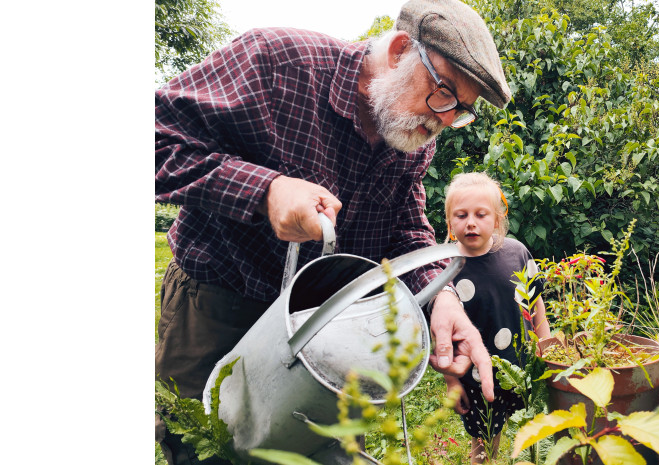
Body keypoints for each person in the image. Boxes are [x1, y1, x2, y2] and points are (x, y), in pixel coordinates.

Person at [155, 0, 512, 462]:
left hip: (328, 326)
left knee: (324, 453)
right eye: (444, 93)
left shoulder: (411, 132)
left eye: (460, 110)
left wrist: (440, 297)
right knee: (205, 450)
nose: (445, 120)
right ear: (402, 50)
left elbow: (405, 226)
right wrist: (265, 191)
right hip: (219, 306)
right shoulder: (277, 62)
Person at [439, 172, 551, 464]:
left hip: (521, 364)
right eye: (461, 215)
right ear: (450, 224)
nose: (471, 222)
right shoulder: (445, 268)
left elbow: (535, 301)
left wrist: (547, 341)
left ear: (497, 221)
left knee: (532, 425)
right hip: (475, 375)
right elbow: (442, 334)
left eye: (481, 214)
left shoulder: (516, 253)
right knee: (486, 437)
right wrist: (452, 381)